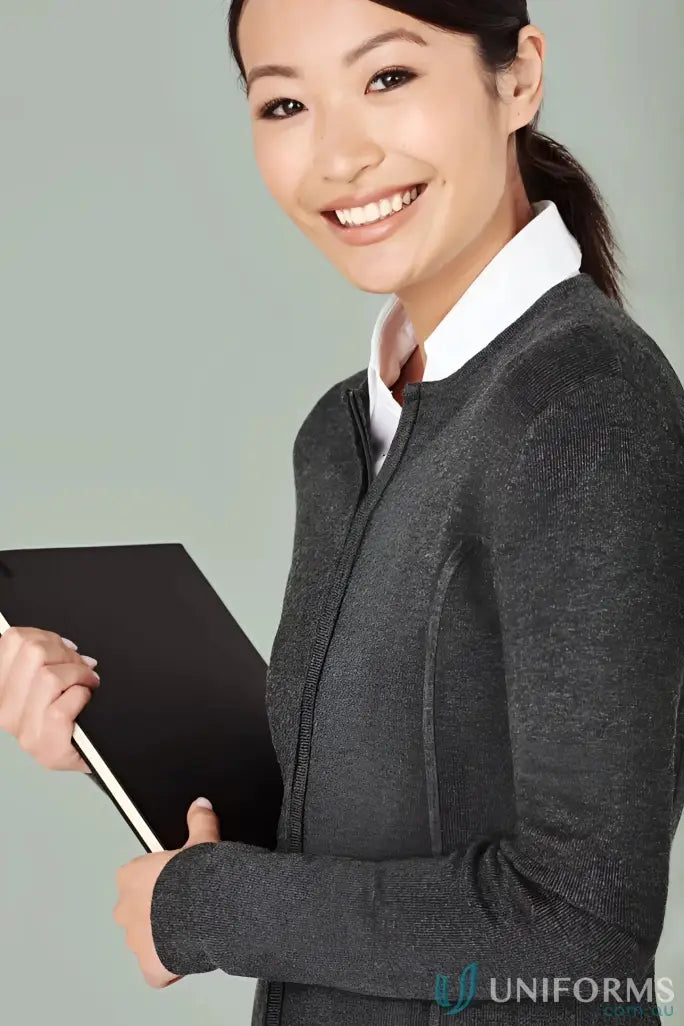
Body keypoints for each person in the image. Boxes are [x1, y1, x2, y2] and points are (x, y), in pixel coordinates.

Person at [1, 1, 683, 1023]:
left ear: (519, 79)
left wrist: (203, 909)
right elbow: (354, 828)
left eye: (389, 79)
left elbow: (583, 927)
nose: (339, 155)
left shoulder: (583, 401)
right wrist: (114, 743)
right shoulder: (340, 433)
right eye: (285, 101)